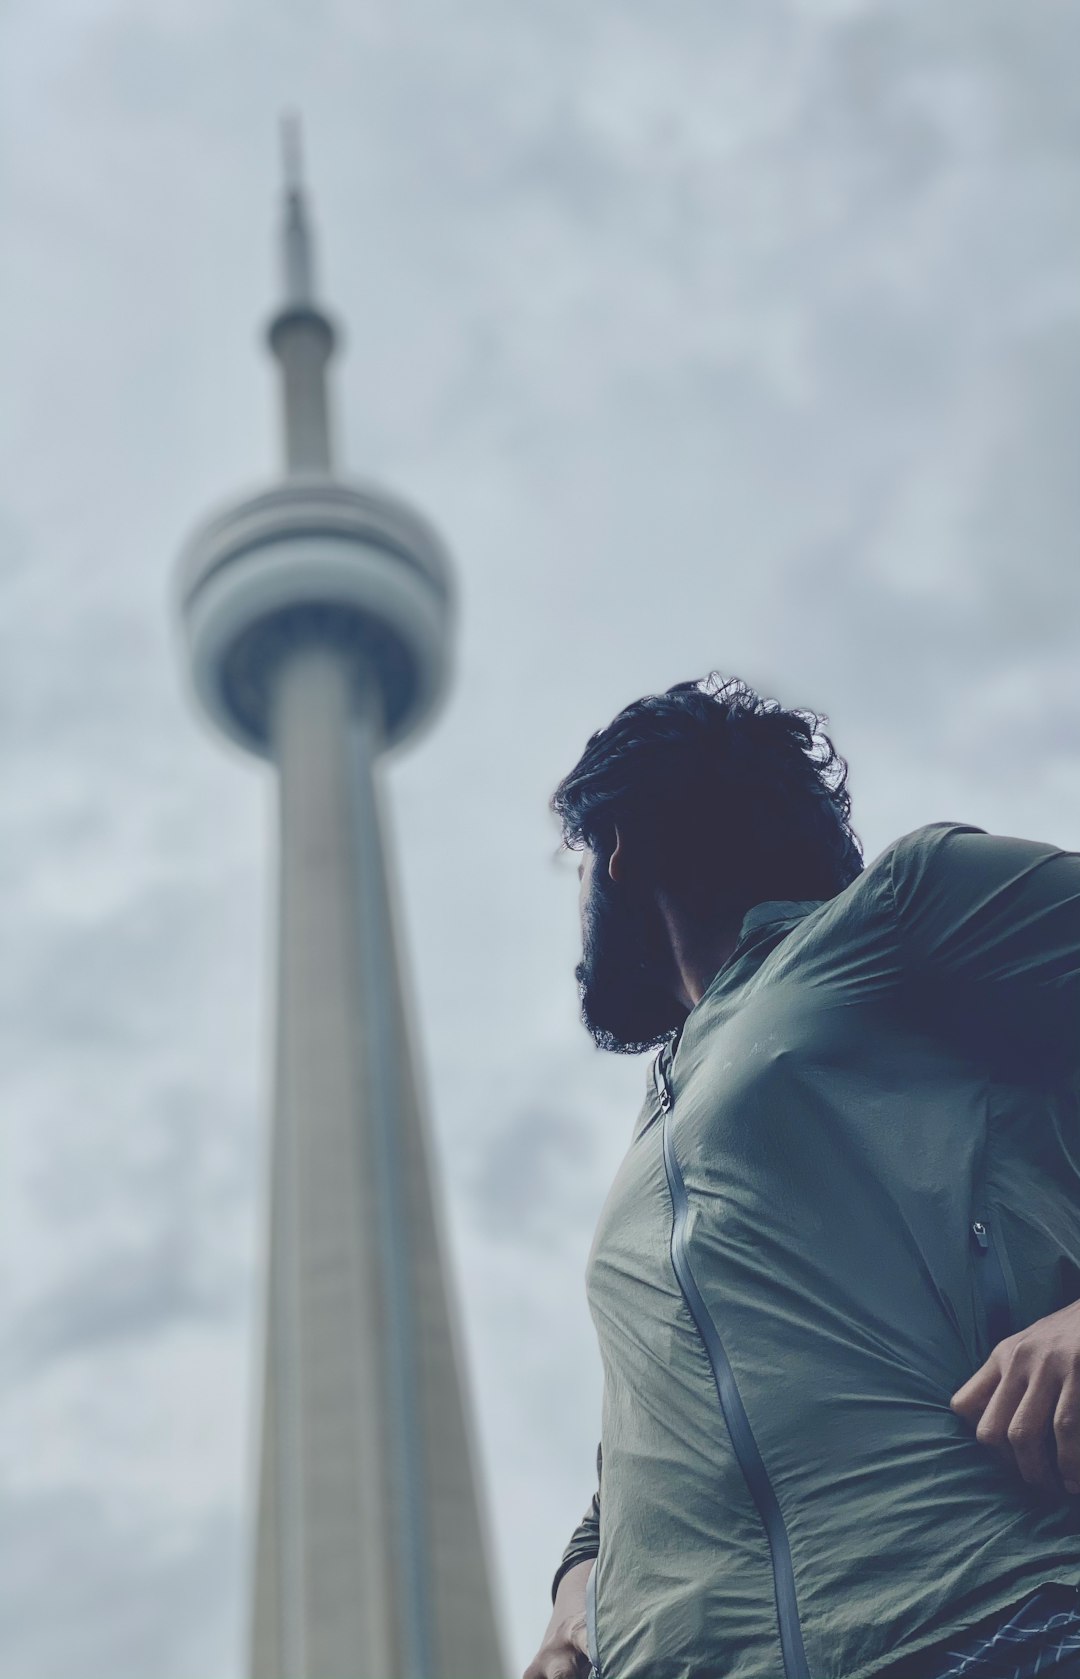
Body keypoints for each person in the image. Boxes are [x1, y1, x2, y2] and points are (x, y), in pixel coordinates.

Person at [523, 675, 1080, 1679]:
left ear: (622, 846)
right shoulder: (658, 1129)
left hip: (983, 1621)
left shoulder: (898, 916)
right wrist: (579, 1588)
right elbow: (664, 1418)